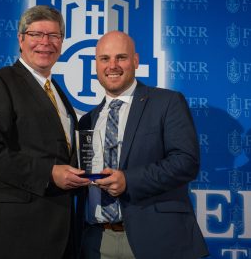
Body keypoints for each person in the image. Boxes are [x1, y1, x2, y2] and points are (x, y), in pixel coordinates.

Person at [0, 5, 90, 259]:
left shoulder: (59, 95)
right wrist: (49, 172)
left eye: (54, 36)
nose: (45, 42)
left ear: (62, 43)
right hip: (7, 239)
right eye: (36, 34)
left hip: (56, 238)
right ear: (21, 39)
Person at [78, 31, 209, 259]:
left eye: (121, 57)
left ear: (136, 61)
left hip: (156, 239)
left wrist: (129, 180)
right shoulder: (87, 120)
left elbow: (186, 162)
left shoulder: (167, 102)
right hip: (96, 242)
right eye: (105, 59)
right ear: (96, 65)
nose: (113, 66)